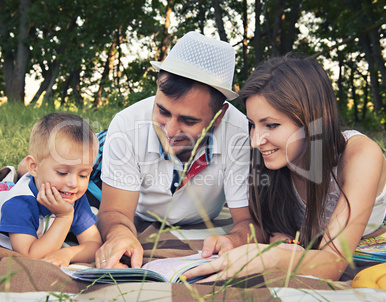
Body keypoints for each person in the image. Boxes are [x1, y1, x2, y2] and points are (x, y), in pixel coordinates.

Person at [183, 55, 386, 282]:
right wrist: (234, 240)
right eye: (252, 125)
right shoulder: (272, 158)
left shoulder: (360, 155)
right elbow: (267, 226)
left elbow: (333, 263)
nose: (256, 140)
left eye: (271, 125)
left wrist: (270, 257)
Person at [94, 31, 253, 269]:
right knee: (70, 160)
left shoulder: (241, 134)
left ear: (219, 116)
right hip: (109, 146)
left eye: (188, 121)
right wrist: (119, 234)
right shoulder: (126, 124)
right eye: (163, 111)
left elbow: (248, 221)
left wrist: (235, 240)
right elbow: (114, 210)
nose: (170, 130)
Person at [0, 113, 102, 267]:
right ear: (34, 167)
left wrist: (67, 253)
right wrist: (64, 217)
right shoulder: (19, 203)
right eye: (62, 173)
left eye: (83, 175)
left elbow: (94, 244)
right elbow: (30, 256)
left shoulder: (72, 196)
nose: (74, 183)